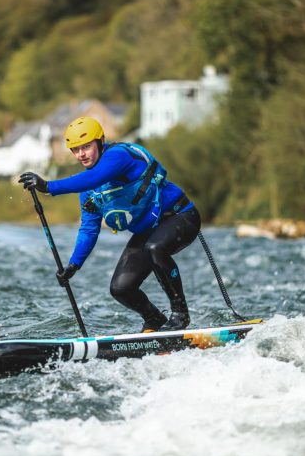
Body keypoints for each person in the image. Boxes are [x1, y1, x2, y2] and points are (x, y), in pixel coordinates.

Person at [19, 116, 201, 332]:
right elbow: (89, 227)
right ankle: (155, 321)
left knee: (156, 248)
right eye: (75, 150)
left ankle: (180, 315)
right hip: (149, 230)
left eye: (86, 147)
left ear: (100, 141)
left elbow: (95, 177)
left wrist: (48, 186)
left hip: (180, 217)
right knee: (121, 288)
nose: (81, 154)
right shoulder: (88, 190)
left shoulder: (118, 156)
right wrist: (74, 264)